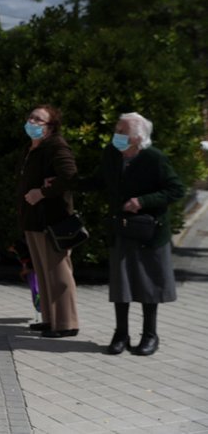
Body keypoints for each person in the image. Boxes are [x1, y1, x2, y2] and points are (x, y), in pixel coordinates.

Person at [78, 112, 185, 356]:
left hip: (150, 231)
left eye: (122, 131)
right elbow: (98, 181)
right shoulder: (111, 154)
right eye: (117, 129)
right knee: (120, 284)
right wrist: (66, 183)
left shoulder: (154, 158)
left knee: (149, 285)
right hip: (121, 228)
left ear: (137, 137)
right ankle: (120, 334)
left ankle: (150, 335)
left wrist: (143, 201)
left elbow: (176, 189)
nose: (116, 134)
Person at [17, 105, 80, 338]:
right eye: (30, 117)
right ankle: (50, 318)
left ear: (50, 127)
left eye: (38, 120)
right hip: (34, 220)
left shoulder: (57, 146)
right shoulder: (33, 148)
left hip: (52, 220)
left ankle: (67, 323)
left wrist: (42, 192)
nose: (32, 122)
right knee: (43, 272)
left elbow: (69, 177)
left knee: (58, 272)